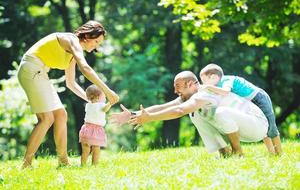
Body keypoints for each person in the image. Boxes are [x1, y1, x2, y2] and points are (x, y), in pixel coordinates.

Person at [17, 20, 119, 168]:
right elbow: (85, 68)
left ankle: (63, 162)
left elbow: (70, 83)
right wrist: (107, 91)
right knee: (46, 118)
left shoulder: (73, 53)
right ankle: (26, 164)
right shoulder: (72, 40)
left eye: (99, 43)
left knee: (61, 115)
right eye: (96, 41)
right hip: (32, 69)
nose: (97, 46)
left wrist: (93, 101)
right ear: (87, 35)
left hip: (39, 72)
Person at [110, 71, 268, 157]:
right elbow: (163, 107)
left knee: (219, 112)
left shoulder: (204, 92)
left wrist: (149, 118)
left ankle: (238, 153)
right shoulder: (190, 96)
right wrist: (132, 114)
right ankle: (224, 152)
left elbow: (179, 111)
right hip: (241, 127)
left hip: (257, 125)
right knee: (196, 115)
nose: (175, 91)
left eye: (178, 86)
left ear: (192, 85)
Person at [199, 63, 282, 155]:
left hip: (259, 98)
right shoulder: (219, 85)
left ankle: (279, 153)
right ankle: (272, 153)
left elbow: (226, 92)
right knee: (265, 128)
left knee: (271, 126)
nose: (204, 84)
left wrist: (208, 87)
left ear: (213, 77)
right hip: (250, 102)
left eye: (204, 81)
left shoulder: (226, 79)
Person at [79, 85, 110, 166]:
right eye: (104, 96)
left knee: (85, 150)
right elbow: (105, 109)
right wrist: (111, 103)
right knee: (96, 149)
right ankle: (94, 165)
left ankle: (83, 164)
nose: (105, 98)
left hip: (86, 128)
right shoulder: (101, 105)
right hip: (97, 130)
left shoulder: (88, 105)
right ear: (98, 97)